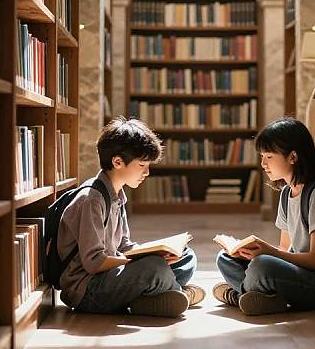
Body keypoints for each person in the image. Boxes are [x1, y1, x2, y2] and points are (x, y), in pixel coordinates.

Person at [57, 117, 205, 317]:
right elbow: (94, 262)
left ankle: (151, 298)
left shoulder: (117, 194)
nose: (147, 172)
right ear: (117, 162)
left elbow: (124, 246)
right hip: (87, 290)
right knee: (154, 268)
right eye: (142, 165)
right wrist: (143, 262)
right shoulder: (91, 200)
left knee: (186, 257)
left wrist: (158, 253)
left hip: (110, 276)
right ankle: (175, 293)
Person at [213, 117, 315, 315]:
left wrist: (269, 253)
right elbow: (285, 248)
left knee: (262, 266)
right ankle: (259, 296)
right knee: (225, 258)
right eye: (262, 157)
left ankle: (238, 295)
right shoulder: (286, 194)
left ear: (293, 157)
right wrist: (251, 251)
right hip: (298, 274)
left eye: (269, 157)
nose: (263, 164)